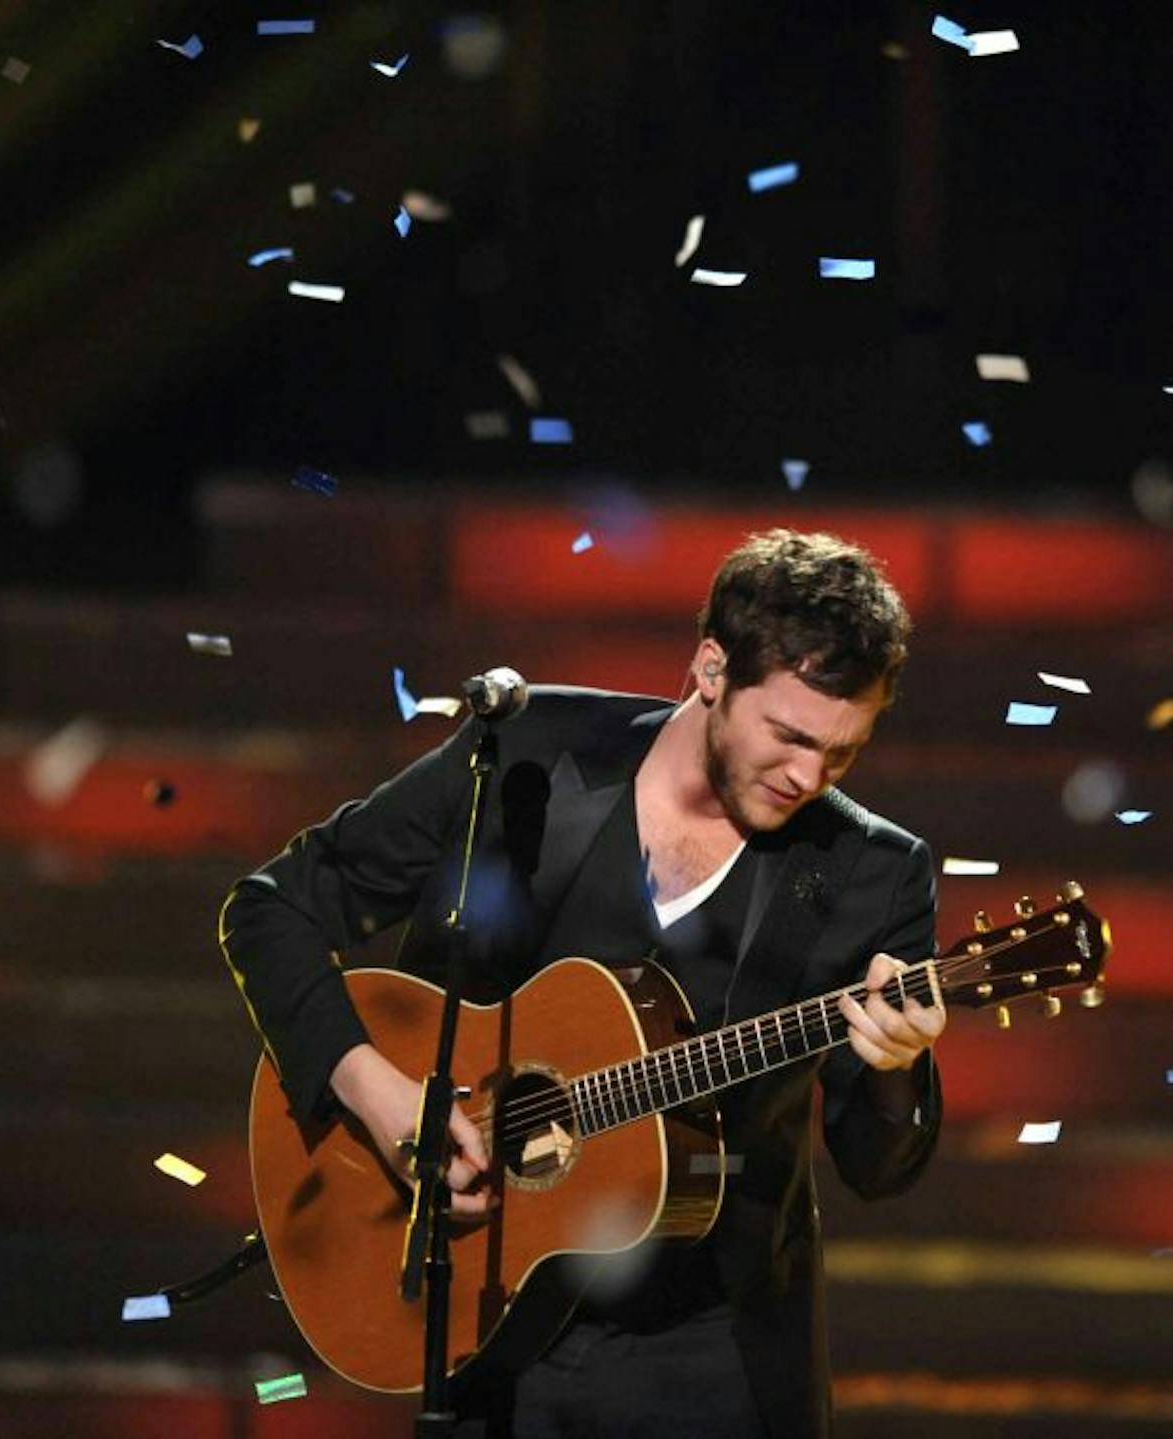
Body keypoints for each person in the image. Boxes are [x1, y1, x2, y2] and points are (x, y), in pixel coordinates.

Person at [218, 528, 947, 1437]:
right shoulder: (526, 759)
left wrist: (894, 1065)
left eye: (842, 752)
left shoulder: (874, 870)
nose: (809, 775)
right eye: (791, 736)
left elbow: (880, 1165)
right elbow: (270, 909)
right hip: (489, 1316)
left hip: (713, 1355)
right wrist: (380, 1093)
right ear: (711, 668)